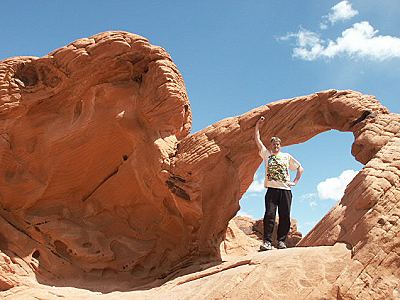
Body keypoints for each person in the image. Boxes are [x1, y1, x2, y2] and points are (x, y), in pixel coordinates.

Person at [255, 116, 304, 250]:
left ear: (280, 146)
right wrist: (257, 126)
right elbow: (258, 140)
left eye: (277, 144)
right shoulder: (267, 155)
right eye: (273, 144)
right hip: (271, 190)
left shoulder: (286, 156)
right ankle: (267, 242)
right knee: (269, 215)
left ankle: (281, 241)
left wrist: (295, 181)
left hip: (286, 190)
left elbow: (300, 168)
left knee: (285, 216)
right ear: (271, 146)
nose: (275, 146)